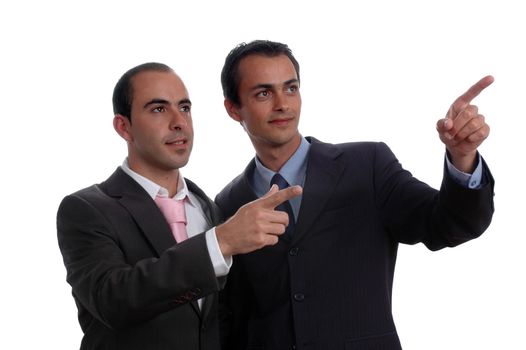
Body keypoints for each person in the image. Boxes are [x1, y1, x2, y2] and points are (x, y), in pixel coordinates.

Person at [215, 40, 495, 349]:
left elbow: (449, 223)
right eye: (264, 93)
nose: (283, 104)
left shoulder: (368, 166)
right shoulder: (227, 204)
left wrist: (462, 158)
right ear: (233, 108)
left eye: (291, 88)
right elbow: (231, 320)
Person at [56, 62, 301, 350]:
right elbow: (113, 300)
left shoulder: (211, 209)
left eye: (184, 108)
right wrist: (219, 242)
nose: (179, 122)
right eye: (159, 109)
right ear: (124, 126)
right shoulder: (86, 209)